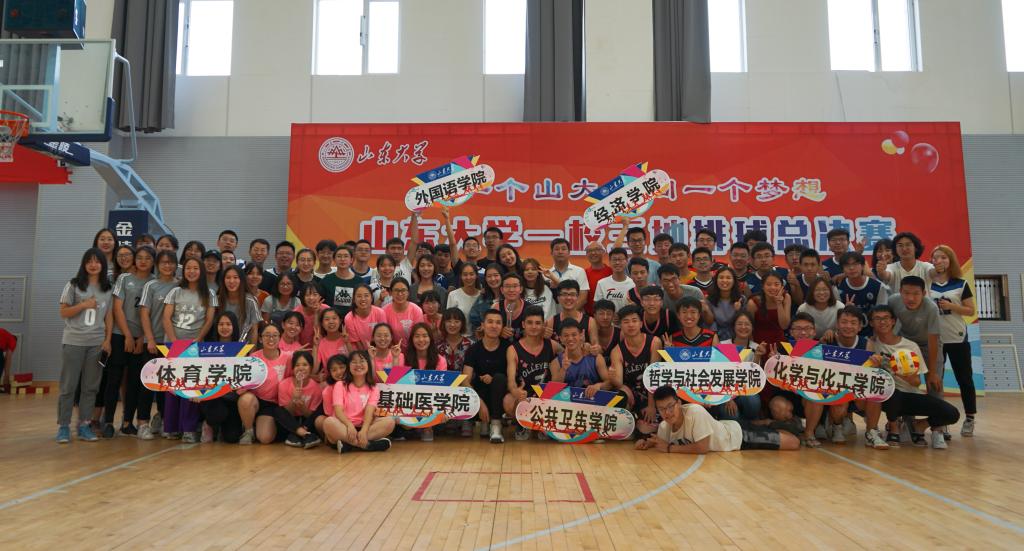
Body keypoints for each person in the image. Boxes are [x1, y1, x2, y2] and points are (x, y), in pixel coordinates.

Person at [868, 305, 960, 449]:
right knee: (890, 391)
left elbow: (916, 382)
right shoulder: (871, 344)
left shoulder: (910, 346)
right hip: (886, 398)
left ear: (893, 321)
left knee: (951, 413)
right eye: (877, 319)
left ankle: (919, 425)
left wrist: (898, 371)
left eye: (886, 318)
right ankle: (893, 427)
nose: (882, 322)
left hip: (910, 395)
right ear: (871, 323)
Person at [56, 248, 114, 444]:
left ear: (103, 265)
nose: (93, 265)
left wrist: (107, 340)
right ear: (84, 264)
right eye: (89, 261)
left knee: (91, 387)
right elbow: (63, 312)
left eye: (97, 261)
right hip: (74, 341)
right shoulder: (73, 285)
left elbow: (109, 316)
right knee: (68, 386)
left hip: (96, 343)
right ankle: (64, 426)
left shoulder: (107, 288)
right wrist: (82, 305)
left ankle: (84, 425)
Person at [635, 386, 799, 453]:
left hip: (737, 437)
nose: (668, 412)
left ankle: (775, 424)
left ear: (679, 403)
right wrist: (647, 443)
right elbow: (662, 443)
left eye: (671, 406)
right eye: (662, 409)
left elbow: (702, 448)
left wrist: (670, 449)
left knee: (794, 443)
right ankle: (765, 424)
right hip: (726, 427)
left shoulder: (695, 411)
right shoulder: (664, 427)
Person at [162, 257, 217, 443]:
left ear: (201, 271)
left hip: (195, 346)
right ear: (183, 271)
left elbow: (209, 320)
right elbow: (166, 318)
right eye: (188, 268)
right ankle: (170, 428)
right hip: (173, 344)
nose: (191, 271)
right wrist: (174, 342)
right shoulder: (175, 291)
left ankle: (188, 429)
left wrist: (198, 339)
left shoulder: (209, 293)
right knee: (172, 387)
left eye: (195, 268)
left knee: (191, 387)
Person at [102, 245, 155, 438]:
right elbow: (117, 308)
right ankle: (108, 422)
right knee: (114, 379)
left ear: (153, 261)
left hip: (141, 339)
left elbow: (153, 314)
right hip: (120, 335)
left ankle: (127, 422)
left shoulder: (154, 282)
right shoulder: (124, 279)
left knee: (134, 382)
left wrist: (142, 337)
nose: (143, 261)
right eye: (139, 257)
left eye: (147, 258)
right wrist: (127, 335)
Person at [930, 245, 978, 437]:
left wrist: (952, 306)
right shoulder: (928, 284)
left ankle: (970, 418)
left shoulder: (960, 283)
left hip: (957, 337)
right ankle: (940, 421)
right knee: (936, 381)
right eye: (935, 257)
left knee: (964, 379)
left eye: (943, 257)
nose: (939, 261)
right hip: (935, 339)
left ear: (950, 260)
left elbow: (970, 310)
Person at [137, 250, 180, 439]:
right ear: (157, 264)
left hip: (172, 344)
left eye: (171, 262)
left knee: (167, 385)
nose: (167, 266)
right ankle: (143, 423)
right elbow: (144, 313)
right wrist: (150, 339)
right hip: (153, 342)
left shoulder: (180, 285)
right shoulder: (151, 285)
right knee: (148, 385)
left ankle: (163, 420)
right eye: (163, 262)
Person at [504, 306, 560, 440]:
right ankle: (524, 422)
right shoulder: (513, 349)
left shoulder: (552, 345)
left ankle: (543, 423)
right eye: (530, 323)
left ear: (543, 325)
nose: (534, 327)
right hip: (525, 394)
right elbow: (511, 381)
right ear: (523, 324)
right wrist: (516, 391)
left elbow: (570, 354)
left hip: (546, 395)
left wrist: (584, 346)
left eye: (538, 323)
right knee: (508, 400)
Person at [323, 350, 395, 452]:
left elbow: (369, 411)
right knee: (328, 422)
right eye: (354, 362)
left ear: (368, 364)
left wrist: (364, 430)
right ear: (349, 366)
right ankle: (368, 445)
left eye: (362, 361)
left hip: (365, 427)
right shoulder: (340, 385)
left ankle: (349, 445)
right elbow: (338, 411)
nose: (358, 365)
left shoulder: (374, 388)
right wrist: (349, 425)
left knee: (390, 422)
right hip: (344, 426)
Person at [610, 305, 662, 437]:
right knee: (619, 395)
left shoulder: (654, 342)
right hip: (634, 393)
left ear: (641, 323)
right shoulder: (617, 351)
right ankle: (631, 417)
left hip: (653, 392)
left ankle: (640, 422)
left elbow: (654, 376)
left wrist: (651, 405)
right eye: (626, 322)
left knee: (647, 431)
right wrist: (616, 381)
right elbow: (619, 382)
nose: (631, 325)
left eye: (634, 320)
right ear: (620, 326)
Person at [238, 323, 292, 445]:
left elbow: (292, 379)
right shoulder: (253, 358)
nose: (271, 339)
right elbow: (244, 384)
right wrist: (242, 388)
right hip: (258, 401)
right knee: (245, 400)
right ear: (260, 339)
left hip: (277, 404)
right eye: (267, 335)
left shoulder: (288, 358)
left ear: (280, 338)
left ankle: (266, 424)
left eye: (275, 335)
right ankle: (248, 430)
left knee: (265, 438)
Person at [463, 310, 510, 443]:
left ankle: (495, 424)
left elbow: (512, 377)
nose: (494, 326)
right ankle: (479, 421)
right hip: (480, 395)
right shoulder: (473, 349)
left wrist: (493, 379)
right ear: (482, 325)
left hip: (501, 394)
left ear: (502, 327)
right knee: (474, 383)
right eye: (490, 322)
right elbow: (465, 380)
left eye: (498, 323)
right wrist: (479, 403)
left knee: (499, 379)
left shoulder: (508, 348)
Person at [198, 312, 246, 443]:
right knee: (218, 413)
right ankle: (209, 424)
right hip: (213, 397)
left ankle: (221, 429)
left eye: (228, 324)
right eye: (221, 324)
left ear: (234, 326)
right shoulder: (207, 348)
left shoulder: (242, 349)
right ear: (216, 326)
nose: (224, 327)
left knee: (232, 438)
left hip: (232, 398)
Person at [552, 319, 614, 398]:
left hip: (593, 401)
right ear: (560, 338)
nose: (570, 338)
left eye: (574, 335)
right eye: (566, 335)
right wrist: (563, 369)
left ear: (581, 335)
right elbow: (553, 389)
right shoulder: (556, 362)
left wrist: (599, 386)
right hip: (567, 402)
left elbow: (610, 383)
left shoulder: (596, 358)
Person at [275, 351, 323, 449]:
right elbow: (286, 413)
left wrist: (303, 407)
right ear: (292, 368)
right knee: (277, 411)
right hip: (291, 421)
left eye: (305, 365)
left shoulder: (316, 387)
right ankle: (304, 434)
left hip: (307, 422)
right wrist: (294, 399)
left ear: (311, 368)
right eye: (297, 365)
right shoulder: (284, 384)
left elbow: (311, 416)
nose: (301, 368)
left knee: (319, 411)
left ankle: (297, 435)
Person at [836, 251, 888, 335]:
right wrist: (846, 310)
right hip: (847, 334)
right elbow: (837, 316)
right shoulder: (838, 287)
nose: (851, 268)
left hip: (873, 335)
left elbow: (882, 314)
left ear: (863, 266)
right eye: (847, 265)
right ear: (842, 269)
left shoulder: (878, 286)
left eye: (855, 264)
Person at [216, 264, 261, 343]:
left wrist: (252, 350)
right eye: (228, 278)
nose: (231, 281)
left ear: (241, 280)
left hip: (243, 347)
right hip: (220, 346)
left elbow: (254, 330)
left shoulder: (251, 301)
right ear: (223, 280)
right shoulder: (217, 300)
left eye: (235, 277)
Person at [547, 280, 598, 349]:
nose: (568, 298)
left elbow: (597, 349)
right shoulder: (551, 322)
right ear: (558, 298)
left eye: (572, 294)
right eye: (564, 294)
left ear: (578, 297)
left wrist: (591, 348)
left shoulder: (590, 322)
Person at [543, 238, 590, 309]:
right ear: (551, 253)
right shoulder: (546, 275)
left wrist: (570, 313)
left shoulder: (579, 271)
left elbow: (582, 298)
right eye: (557, 249)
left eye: (563, 249)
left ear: (569, 252)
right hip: (552, 314)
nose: (560, 252)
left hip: (573, 314)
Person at [746, 272, 791, 344]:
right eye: (768, 284)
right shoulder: (753, 302)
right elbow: (748, 329)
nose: (773, 287)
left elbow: (784, 326)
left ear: (782, 287)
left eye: (776, 284)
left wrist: (779, 303)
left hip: (780, 341)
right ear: (763, 287)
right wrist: (753, 346)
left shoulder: (786, 297)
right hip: (759, 342)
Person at [704, 267, 744, 341]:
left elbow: (744, 322)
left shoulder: (741, 299)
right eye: (721, 277)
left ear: (734, 281)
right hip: (715, 337)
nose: (724, 280)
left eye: (728, 278)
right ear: (716, 280)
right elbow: (709, 323)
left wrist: (738, 311)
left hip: (736, 337)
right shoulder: (709, 299)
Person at [320, 246, 361, 318]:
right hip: (330, 320)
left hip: (353, 319)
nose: (342, 259)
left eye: (346, 256)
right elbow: (320, 304)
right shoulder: (326, 280)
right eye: (339, 256)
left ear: (351, 260)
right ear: (334, 260)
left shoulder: (359, 281)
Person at [344, 285, 387, 350]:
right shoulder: (349, 318)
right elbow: (357, 343)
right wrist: (365, 355)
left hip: (379, 349)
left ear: (371, 298)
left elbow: (384, 336)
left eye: (366, 295)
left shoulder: (380, 312)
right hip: (360, 352)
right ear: (354, 299)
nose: (363, 299)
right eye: (359, 296)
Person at [383, 278, 424, 344]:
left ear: (408, 292)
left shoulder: (416, 310)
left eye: (403, 290)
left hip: (413, 347)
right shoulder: (384, 311)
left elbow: (419, 335)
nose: (400, 294)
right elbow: (383, 335)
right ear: (390, 292)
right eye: (396, 290)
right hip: (391, 347)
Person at [593, 247, 634, 312]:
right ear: (609, 262)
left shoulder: (633, 284)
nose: (617, 263)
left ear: (626, 261)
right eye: (614, 260)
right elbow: (597, 307)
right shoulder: (601, 283)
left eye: (620, 259)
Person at [313, 306, 347, 380]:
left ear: (340, 320)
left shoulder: (347, 338)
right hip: (330, 381)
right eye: (327, 319)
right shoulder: (321, 343)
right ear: (322, 324)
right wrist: (315, 345)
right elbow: (314, 370)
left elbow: (353, 360)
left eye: (334, 318)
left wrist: (347, 343)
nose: (331, 322)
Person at [492, 273, 528, 340]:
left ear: (521, 289)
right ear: (502, 290)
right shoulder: (496, 308)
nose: (511, 290)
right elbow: (490, 331)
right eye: (507, 286)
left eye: (515, 286)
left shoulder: (529, 309)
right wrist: (499, 332)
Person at [468, 263, 503, 334]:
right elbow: (473, 316)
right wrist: (482, 325)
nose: (492, 279)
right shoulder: (483, 297)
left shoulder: (509, 296)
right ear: (485, 279)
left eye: (496, 275)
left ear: (501, 276)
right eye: (489, 276)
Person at [447, 263, 481, 331]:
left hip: (479, 335)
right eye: (465, 274)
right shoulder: (453, 295)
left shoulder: (482, 295)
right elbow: (449, 319)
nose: (468, 277)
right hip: (460, 335)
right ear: (461, 276)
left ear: (476, 275)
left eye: (471, 274)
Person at [294, 281, 328, 347]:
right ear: (303, 297)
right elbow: (294, 338)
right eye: (307, 295)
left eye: (315, 294)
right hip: (301, 348)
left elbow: (320, 334)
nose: (311, 298)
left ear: (320, 296)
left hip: (322, 347)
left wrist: (316, 314)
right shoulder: (296, 312)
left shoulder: (326, 310)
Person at [583, 241, 612, 315]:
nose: (593, 253)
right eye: (589, 251)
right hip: (589, 316)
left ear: (603, 252)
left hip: (609, 315)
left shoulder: (612, 272)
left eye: (596, 250)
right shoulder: (583, 273)